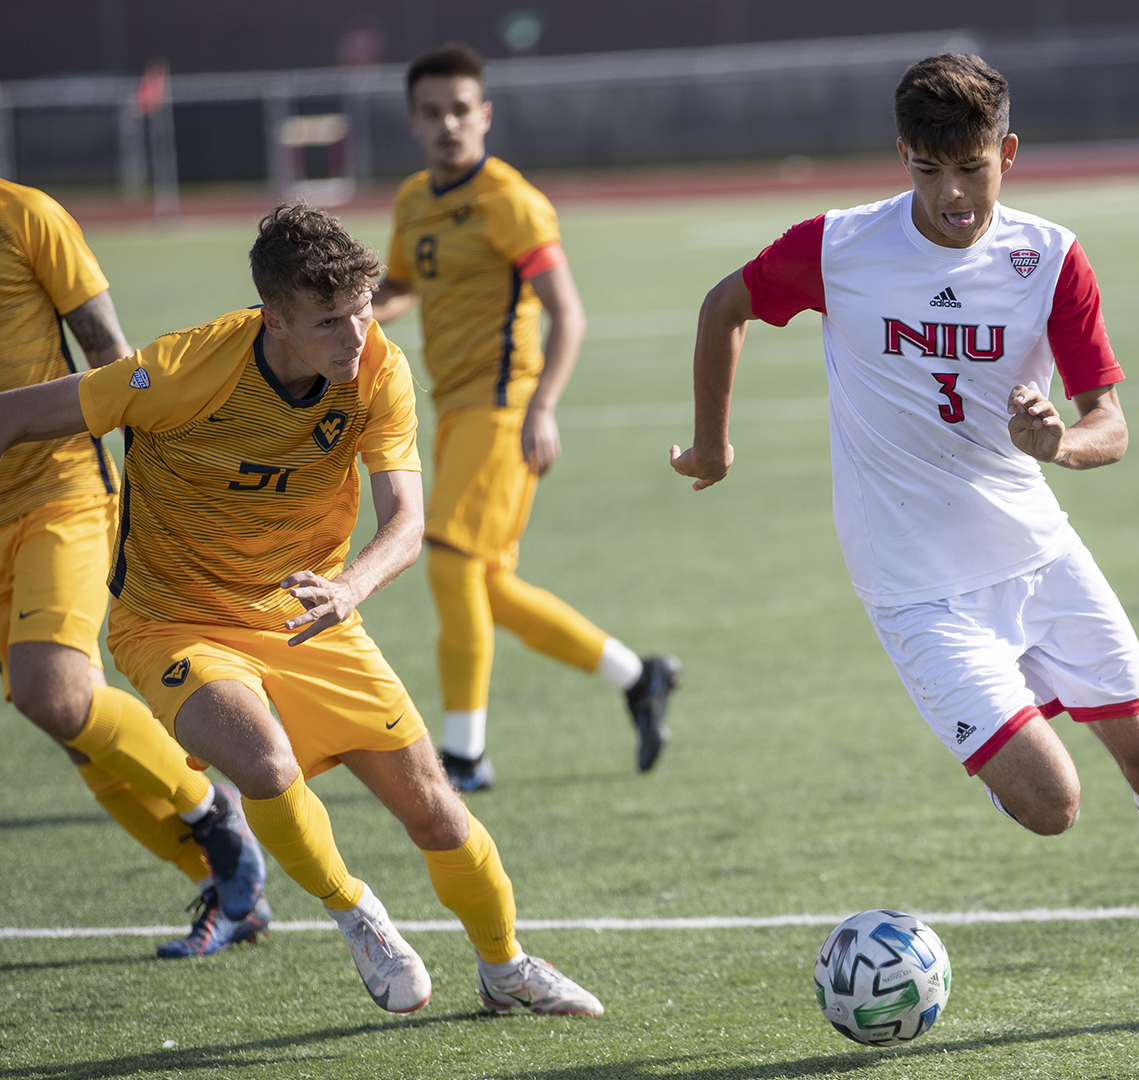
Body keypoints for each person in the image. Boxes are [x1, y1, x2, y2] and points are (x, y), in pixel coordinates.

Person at [671, 54, 1139, 1032]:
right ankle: (1008, 743)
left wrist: (1059, 442)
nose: (951, 194)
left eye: (972, 169)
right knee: (1052, 804)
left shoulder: (1052, 258)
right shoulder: (839, 246)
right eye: (929, 169)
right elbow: (723, 305)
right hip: (914, 587)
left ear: (1009, 154)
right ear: (903, 156)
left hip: (1036, 552)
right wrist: (714, 442)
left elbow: (1110, 422)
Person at [0, 204, 603, 1015]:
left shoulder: (378, 369)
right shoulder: (179, 370)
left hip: (309, 610)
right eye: (330, 321)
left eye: (360, 311)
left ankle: (506, 968)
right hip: (175, 620)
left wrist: (350, 588)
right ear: (273, 320)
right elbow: (17, 415)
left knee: (435, 810)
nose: (355, 336)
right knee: (266, 765)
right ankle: (357, 912)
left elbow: (408, 524)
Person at [369, 43, 678, 791]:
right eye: (433, 112)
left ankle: (464, 757)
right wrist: (338, 312)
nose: (449, 124)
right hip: (450, 411)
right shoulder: (414, 200)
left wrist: (542, 409)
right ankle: (639, 678)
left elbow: (568, 316)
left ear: (485, 115)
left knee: (444, 562)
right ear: (413, 121)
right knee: (487, 589)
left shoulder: (511, 201)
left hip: (504, 409)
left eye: (461, 110)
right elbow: (402, 287)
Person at [0, 178, 268, 957]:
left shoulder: (28, 217)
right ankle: (227, 889)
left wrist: (151, 487)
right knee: (74, 725)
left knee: (55, 693)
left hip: (62, 493)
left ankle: (213, 813)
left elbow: (112, 357)